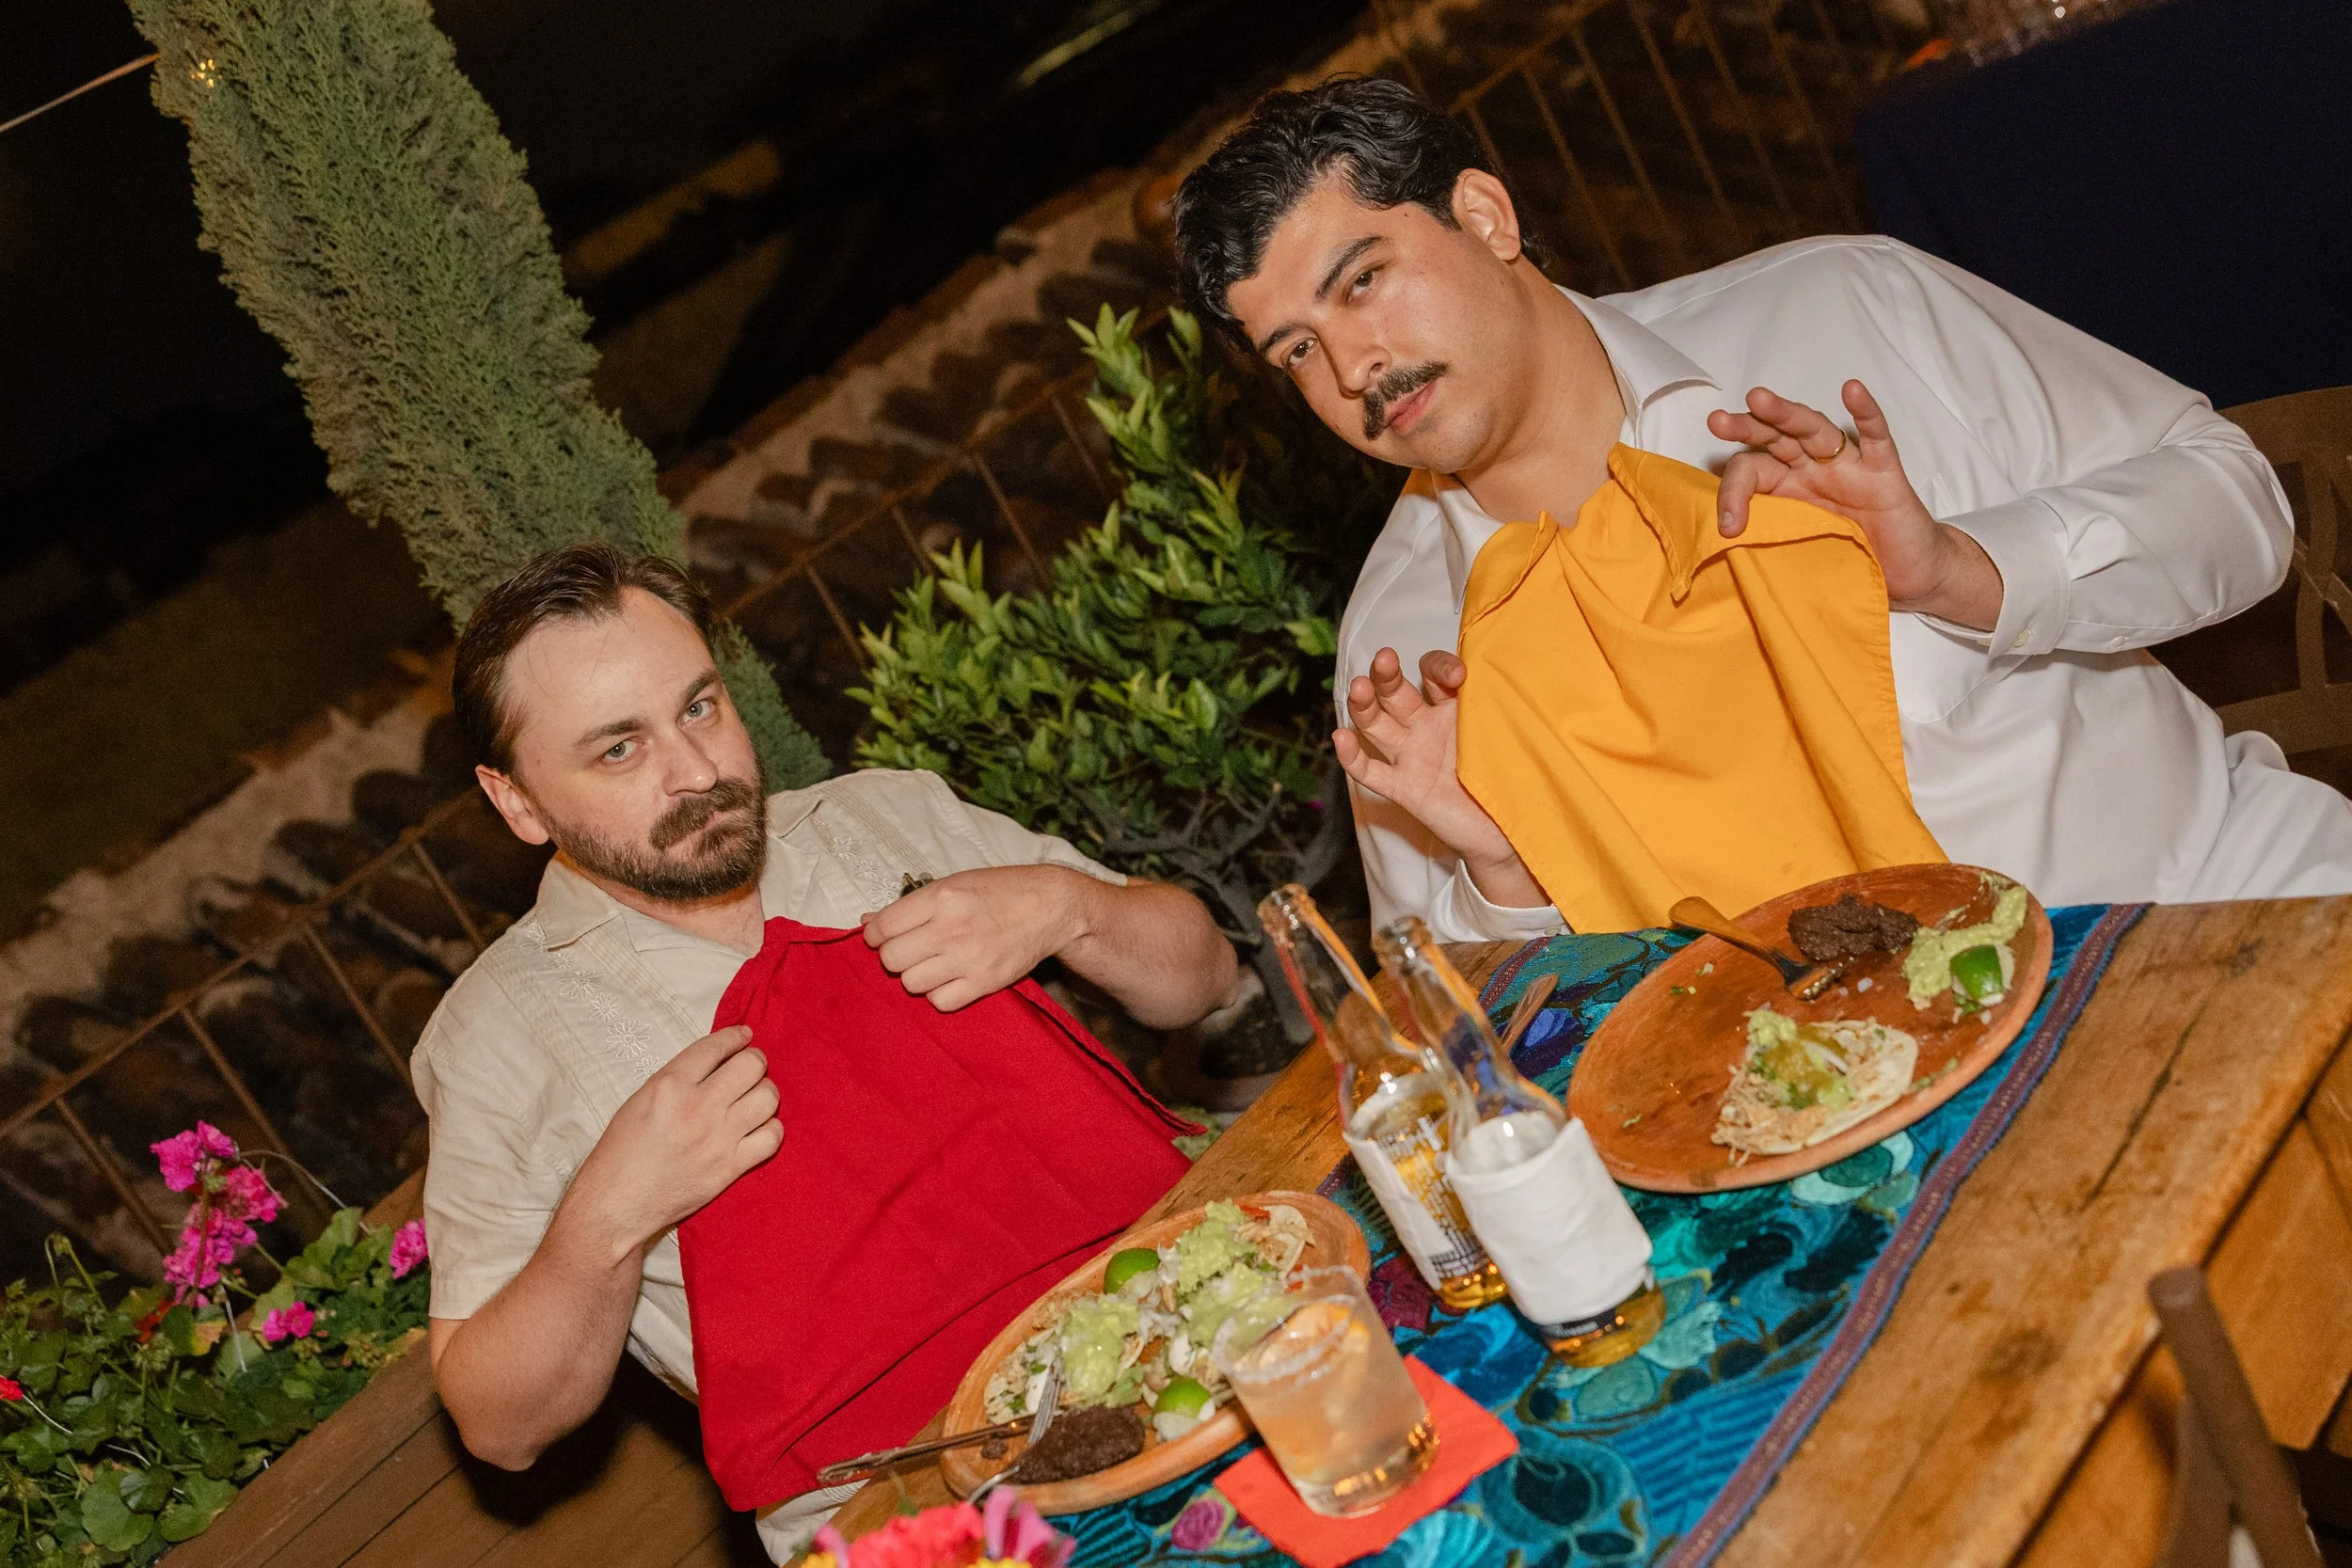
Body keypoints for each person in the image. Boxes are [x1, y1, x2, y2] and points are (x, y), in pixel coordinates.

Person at [1169, 75, 2352, 940]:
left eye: (1363, 279)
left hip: (2211, 891)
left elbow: (2238, 501)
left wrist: (1955, 570)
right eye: (1297, 352)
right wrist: (1508, 863)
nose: (1353, 368)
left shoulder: (1837, 311)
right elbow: (1480, 1033)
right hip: (1869, 1138)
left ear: (1484, 215)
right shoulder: (1405, 640)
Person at [412, 543, 1236, 1556]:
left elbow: (1198, 978)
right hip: (914, 1509)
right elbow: (501, 1424)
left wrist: (1071, 909)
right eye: (618, 750)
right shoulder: (492, 1037)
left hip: (1192, 1332)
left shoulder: (886, 817)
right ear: (518, 802)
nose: (698, 770)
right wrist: (606, 1218)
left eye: (699, 706)